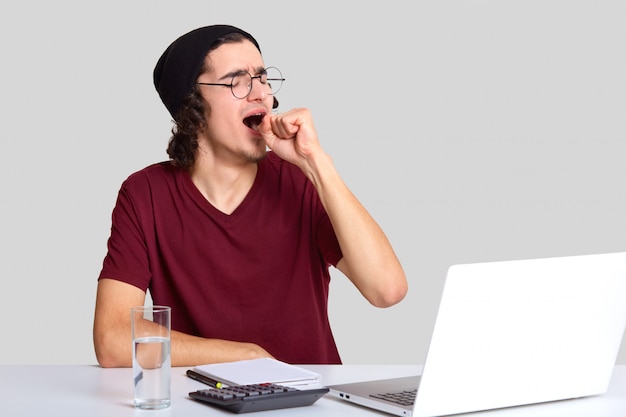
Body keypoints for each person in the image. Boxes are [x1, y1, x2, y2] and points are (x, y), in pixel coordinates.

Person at [93, 24, 407, 368]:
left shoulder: (301, 182)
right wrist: (247, 357)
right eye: (237, 81)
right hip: (204, 402)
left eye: (262, 78)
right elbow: (113, 339)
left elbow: (387, 290)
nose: (260, 94)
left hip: (312, 402)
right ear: (191, 107)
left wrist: (317, 163)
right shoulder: (145, 194)